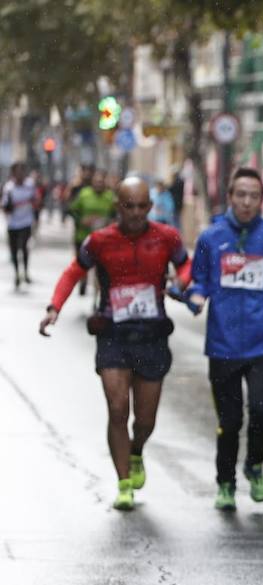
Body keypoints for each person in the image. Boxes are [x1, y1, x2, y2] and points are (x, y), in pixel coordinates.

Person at [38, 177, 192, 510]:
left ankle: (137, 451)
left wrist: (182, 281)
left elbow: (186, 264)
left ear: (149, 207)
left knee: (146, 420)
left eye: (141, 206)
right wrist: (54, 307)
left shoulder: (166, 237)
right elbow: (73, 272)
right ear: (118, 206)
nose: (135, 213)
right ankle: (123, 482)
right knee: (118, 407)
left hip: (152, 335)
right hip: (113, 334)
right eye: (128, 206)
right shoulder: (99, 241)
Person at [185, 167, 263, 511]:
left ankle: (254, 466)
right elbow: (199, 280)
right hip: (223, 344)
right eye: (241, 195)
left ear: (261, 200)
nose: (247, 202)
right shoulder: (212, 239)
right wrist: (194, 297)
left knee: (259, 409)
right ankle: (225, 482)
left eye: (254, 196)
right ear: (230, 197)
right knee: (229, 420)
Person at [67, 169, 116, 298]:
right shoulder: (84, 194)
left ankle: (97, 295)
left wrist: (108, 222)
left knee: (100, 269)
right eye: (96, 181)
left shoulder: (110, 196)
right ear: (92, 182)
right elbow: (72, 210)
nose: (99, 184)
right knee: (82, 264)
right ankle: (83, 281)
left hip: (102, 239)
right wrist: (81, 221)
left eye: (101, 181)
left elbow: (115, 214)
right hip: (83, 236)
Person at [3, 162, 39, 288]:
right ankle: (17, 273)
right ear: (13, 174)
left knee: (24, 247)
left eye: (21, 172)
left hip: (26, 222)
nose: (19, 175)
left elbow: (36, 200)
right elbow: (5, 206)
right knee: (14, 250)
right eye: (17, 172)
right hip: (12, 223)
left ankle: (25, 272)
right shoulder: (9, 188)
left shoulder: (30, 185)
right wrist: (9, 206)